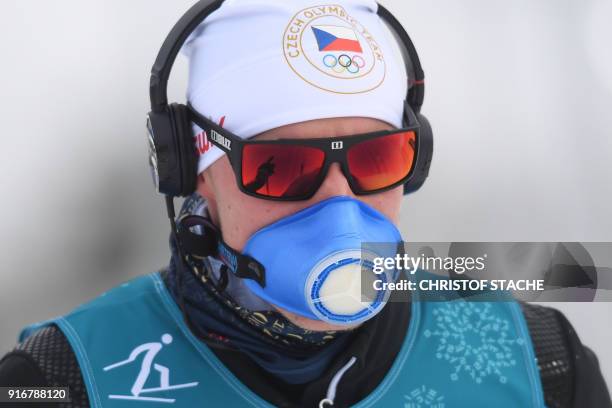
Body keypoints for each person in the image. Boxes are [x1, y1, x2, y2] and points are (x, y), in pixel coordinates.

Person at [0, 0, 610, 407]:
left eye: (376, 160)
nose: (339, 203)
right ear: (196, 172)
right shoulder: (62, 380)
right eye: (281, 167)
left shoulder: (540, 362)